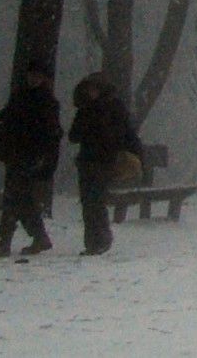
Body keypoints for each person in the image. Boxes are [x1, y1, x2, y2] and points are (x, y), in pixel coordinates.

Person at [0, 64, 61, 257]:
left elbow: (50, 133)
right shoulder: (23, 97)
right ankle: (34, 236)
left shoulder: (45, 102)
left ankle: (8, 240)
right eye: (31, 75)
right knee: (19, 197)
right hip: (19, 154)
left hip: (28, 155)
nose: (33, 79)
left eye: (37, 75)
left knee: (15, 196)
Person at [68, 72, 140, 256]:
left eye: (94, 89)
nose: (91, 92)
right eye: (89, 89)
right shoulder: (85, 109)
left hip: (105, 162)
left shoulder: (114, 108)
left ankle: (100, 239)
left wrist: (134, 154)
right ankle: (93, 242)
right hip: (87, 161)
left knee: (95, 201)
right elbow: (73, 136)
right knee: (88, 202)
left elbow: (126, 134)